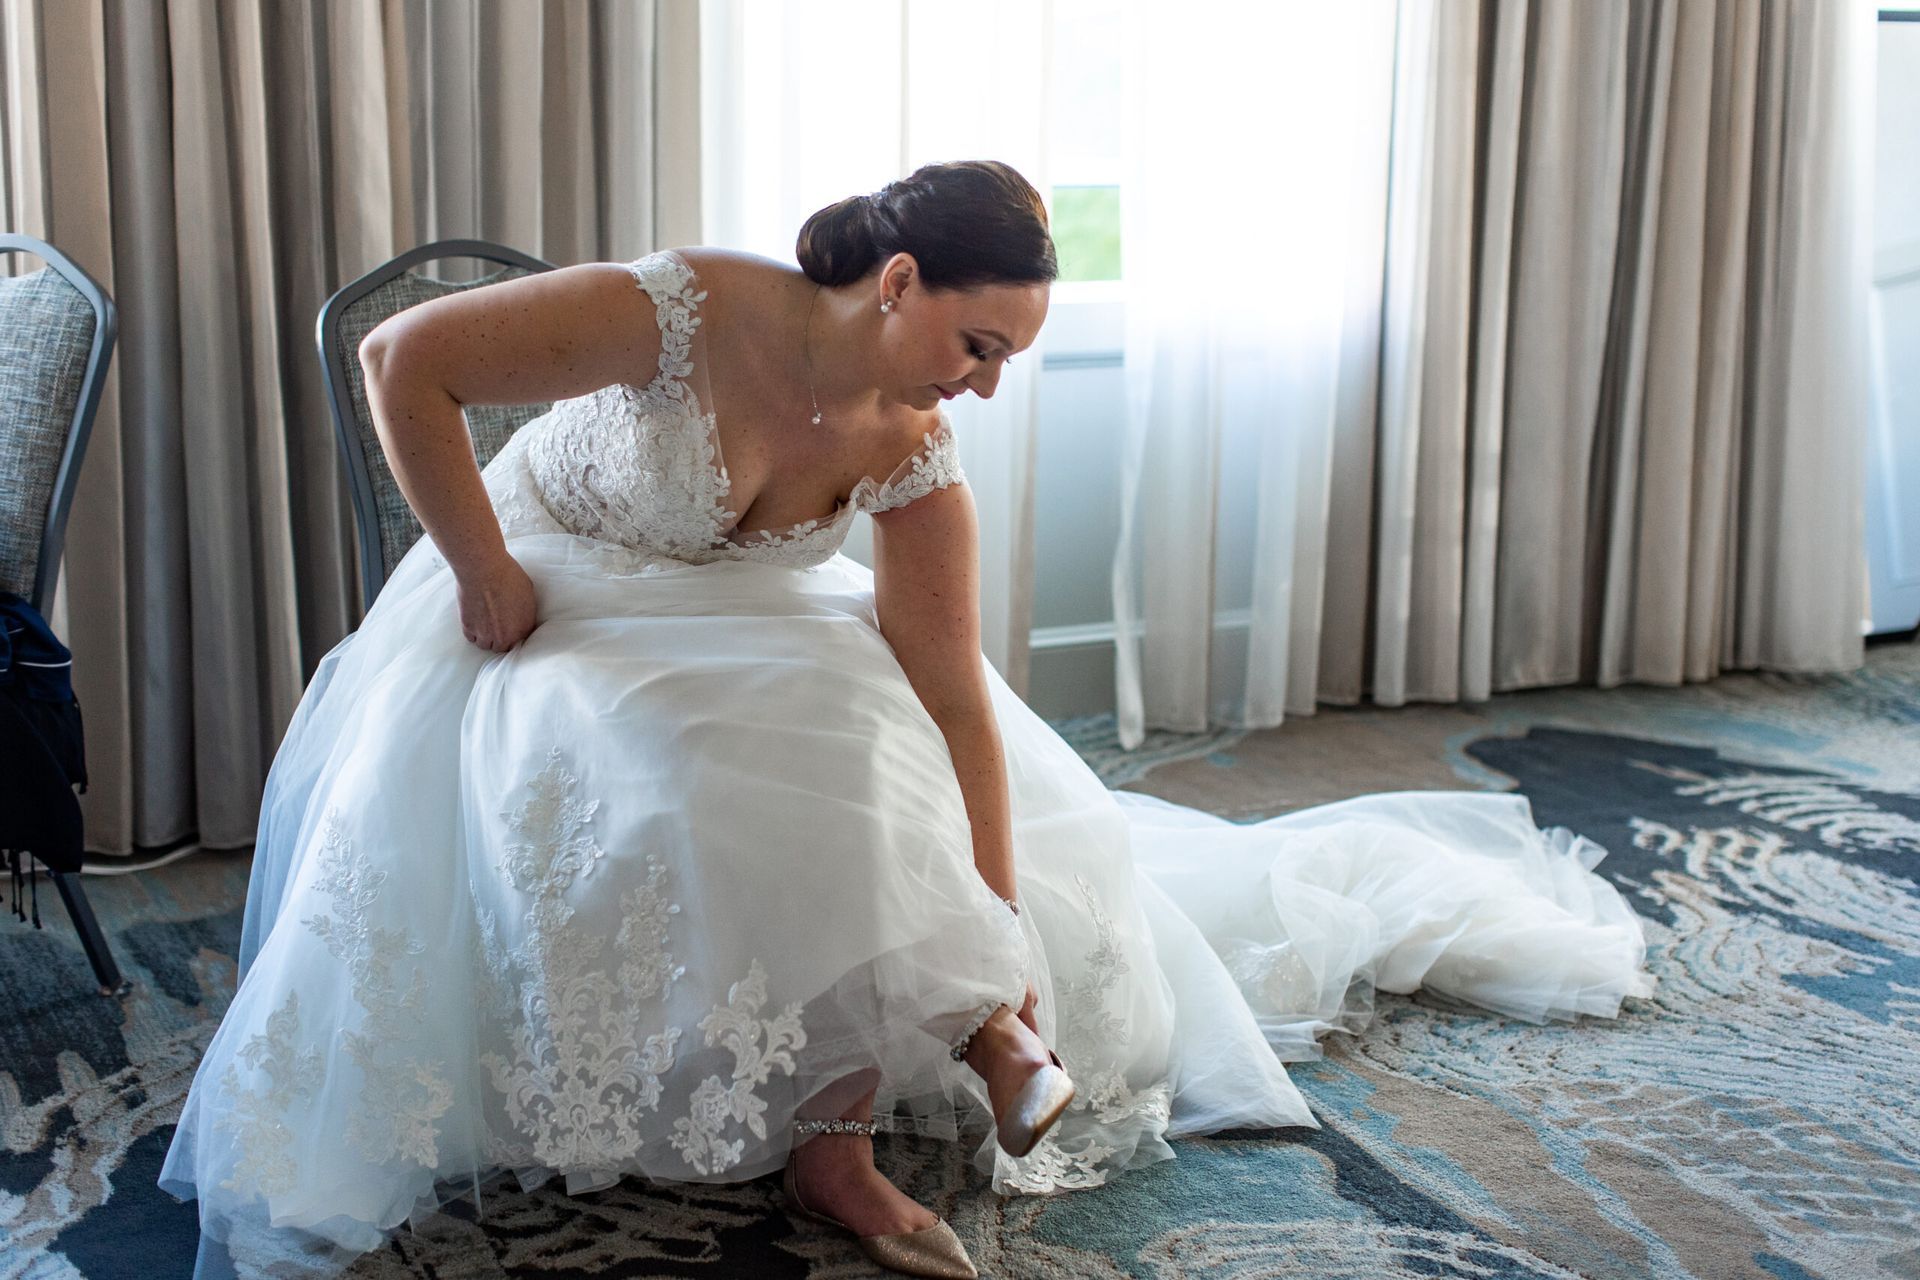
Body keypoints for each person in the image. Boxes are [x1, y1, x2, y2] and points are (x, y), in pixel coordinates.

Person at [157, 160, 1656, 1280]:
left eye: (1009, 357)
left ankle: (872, 1110)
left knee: (874, 750)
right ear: (896, 285)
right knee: (680, 779)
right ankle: (871, 1070)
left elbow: (956, 699)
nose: (987, 387)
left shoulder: (919, 453)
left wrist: (1001, 913)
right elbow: (400, 364)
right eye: (979, 344)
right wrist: (483, 573)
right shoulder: (689, 309)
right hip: (554, 587)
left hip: (738, 626)